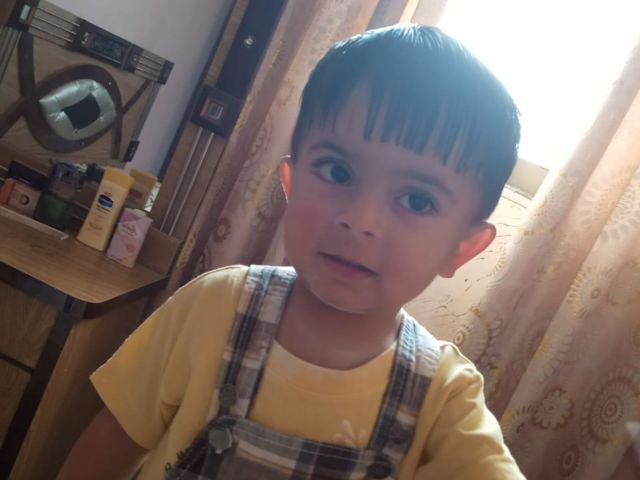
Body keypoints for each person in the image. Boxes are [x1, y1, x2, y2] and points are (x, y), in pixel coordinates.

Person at [59, 24, 525, 479]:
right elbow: (111, 445)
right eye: (338, 172)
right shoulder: (214, 304)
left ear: (461, 249)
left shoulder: (444, 400)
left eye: (418, 200)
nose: (360, 219)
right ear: (291, 182)